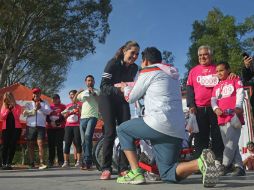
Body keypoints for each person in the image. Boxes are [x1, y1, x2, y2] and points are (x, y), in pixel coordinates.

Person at [116, 47, 219, 187]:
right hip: (176, 129)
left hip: (157, 123)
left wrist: (125, 88)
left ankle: (135, 172)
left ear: (145, 61)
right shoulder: (171, 74)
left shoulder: (148, 70)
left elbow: (131, 97)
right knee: (167, 172)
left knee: (122, 129)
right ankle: (200, 163)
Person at [99, 40, 140, 180]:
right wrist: (119, 88)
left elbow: (131, 85)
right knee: (110, 132)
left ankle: (123, 168)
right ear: (124, 50)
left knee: (126, 132)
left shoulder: (135, 68)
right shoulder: (112, 63)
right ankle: (106, 168)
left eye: (137, 54)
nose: (134, 56)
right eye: (132, 53)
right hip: (107, 100)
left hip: (122, 101)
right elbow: (103, 86)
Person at [186, 45, 224, 161]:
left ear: (210, 55)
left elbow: (227, 80)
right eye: (200, 55)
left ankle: (219, 160)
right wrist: (191, 105)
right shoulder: (193, 71)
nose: (202, 57)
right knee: (200, 136)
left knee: (218, 134)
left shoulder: (217, 68)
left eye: (205, 54)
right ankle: (200, 162)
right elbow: (189, 89)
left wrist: (232, 75)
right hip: (199, 108)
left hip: (216, 107)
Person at [211, 61, 246, 176]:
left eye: (221, 70)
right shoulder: (216, 86)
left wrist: (238, 106)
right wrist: (216, 109)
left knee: (231, 143)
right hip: (221, 119)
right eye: (217, 71)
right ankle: (239, 167)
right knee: (230, 144)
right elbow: (213, 100)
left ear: (228, 70)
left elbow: (240, 92)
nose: (219, 73)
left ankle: (224, 165)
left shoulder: (235, 79)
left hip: (234, 117)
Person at [74, 75, 100, 170]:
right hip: (83, 118)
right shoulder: (83, 92)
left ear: (94, 82)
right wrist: (77, 92)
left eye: (91, 81)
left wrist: (93, 93)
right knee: (84, 141)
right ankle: (86, 161)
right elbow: (74, 101)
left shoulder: (97, 91)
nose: (90, 82)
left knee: (88, 136)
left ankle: (88, 161)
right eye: (88, 81)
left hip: (93, 117)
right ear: (85, 82)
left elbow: (99, 101)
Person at [23, 87, 51, 169]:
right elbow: (25, 113)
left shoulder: (45, 103)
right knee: (30, 145)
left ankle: (42, 162)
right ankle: (31, 163)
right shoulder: (28, 103)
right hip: (30, 126)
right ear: (33, 94)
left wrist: (41, 108)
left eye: (38, 93)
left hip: (41, 126)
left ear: (40, 94)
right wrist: (35, 109)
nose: (36, 94)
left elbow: (49, 111)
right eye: (35, 93)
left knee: (40, 144)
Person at [0, 92, 22, 170]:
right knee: (5, 146)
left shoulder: (18, 106)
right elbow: (2, 117)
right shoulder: (3, 107)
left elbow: (17, 117)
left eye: (9, 98)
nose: (7, 100)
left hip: (16, 129)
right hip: (6, 129)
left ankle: (9, 163)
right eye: (6, 98)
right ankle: (3, 163)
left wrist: (13, 108)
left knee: (12, 145)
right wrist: (8, 109)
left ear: (12, 98)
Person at [61, 90, 82, 167]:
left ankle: (79, 161)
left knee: (77, 143)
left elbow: (81, 114)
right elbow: (64, 116)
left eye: (73, 94)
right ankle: (66, 161)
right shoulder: (68, 105)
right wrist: (69, 112)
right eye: (70, 95)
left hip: (77, 125)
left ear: (76, 95)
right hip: (68, 126)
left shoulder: (80, 104)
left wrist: (78, 110)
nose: (71, 96)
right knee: (67, 143)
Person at [46, 94, 66, 167]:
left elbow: (64, 116)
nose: (54, 100)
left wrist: (56, 123)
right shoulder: (49, 107)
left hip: (60, 128)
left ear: (59, 99)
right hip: (50, 128)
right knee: (51, 145)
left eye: (56, 98)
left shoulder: (63, 106)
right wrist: (50, 122)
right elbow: (46, 116)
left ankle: (61, 161)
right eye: (53, 98)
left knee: (59, 145)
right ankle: (50, 161)